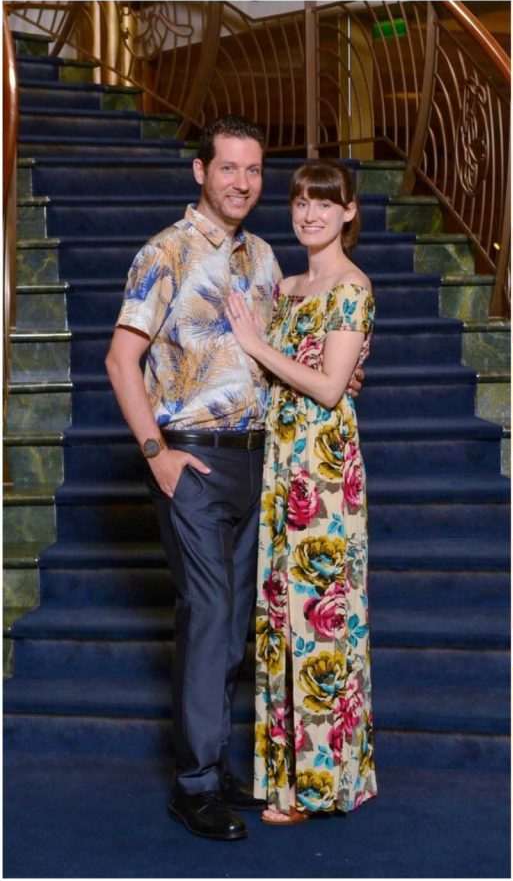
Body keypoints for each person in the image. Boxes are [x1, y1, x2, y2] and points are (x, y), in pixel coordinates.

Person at [106, 115, 279, 841]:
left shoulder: (266, 256)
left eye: (253, 170)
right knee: (209, 616)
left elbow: (271, 350)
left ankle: (215, 759)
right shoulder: (166, 252)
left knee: (235, 621)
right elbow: (121, 359)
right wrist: (157, 453)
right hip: (192, 458)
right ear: (200, 172)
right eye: (228, 167)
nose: (241, 181)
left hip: (255, 455)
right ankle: (195, 784)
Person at [225, 159, 378, 825]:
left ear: (348, 211)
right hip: (282, 466)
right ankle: (285, 776)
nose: (310, 213)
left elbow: (328, 386)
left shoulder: (352, 287)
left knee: (322, 622)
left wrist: (256, 345)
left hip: (324, 469)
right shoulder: (285, 286)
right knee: (283, 618)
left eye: (326, 202)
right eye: (301, 201)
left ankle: (319, 786)